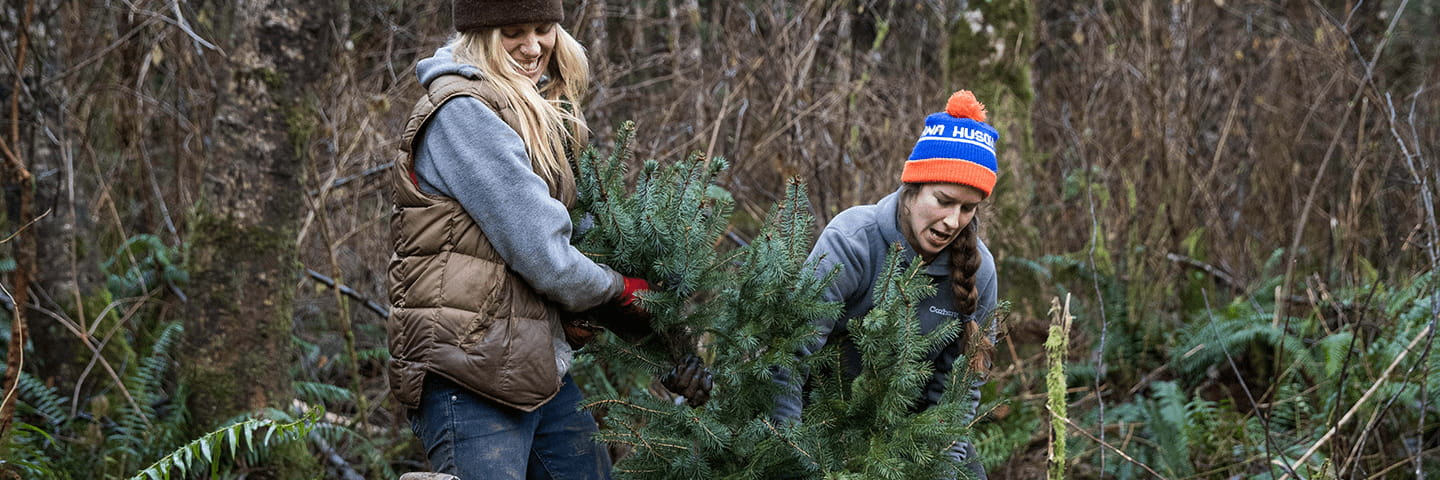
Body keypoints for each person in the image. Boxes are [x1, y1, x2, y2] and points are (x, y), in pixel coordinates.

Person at [386, 1, 676, 478]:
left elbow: (562, 231)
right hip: (468, 368)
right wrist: (617, 290)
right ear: (480, 38)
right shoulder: (463, 113)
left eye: (544, 29)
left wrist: (590, 307)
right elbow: (543, 255)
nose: (533, 45)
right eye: (513, 32)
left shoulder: (530, 106)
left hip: (533, 366)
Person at [774, 90, 1001, 479]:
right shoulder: (852, 239)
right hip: (821, 421)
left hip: (908, 435)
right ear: (912, 190)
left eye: (967, 208)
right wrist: (791, 453)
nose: (952, 221)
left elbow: (959, 391)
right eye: (943, 200)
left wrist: (942, 463)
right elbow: (789, 355)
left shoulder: (980, 271)